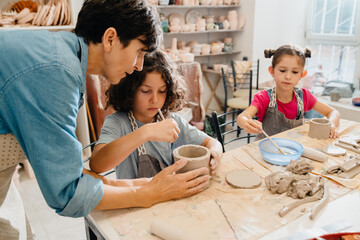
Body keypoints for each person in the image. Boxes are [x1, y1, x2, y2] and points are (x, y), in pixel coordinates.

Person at [0, 0, 209, 238]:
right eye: (139, 52)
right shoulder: (56, 72)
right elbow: (68, 192)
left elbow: (73, 172)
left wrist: (141, 186)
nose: (138, 66)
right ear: (110, 39)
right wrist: (149, 194)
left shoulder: (63, 55)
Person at [89, 51, 223, 179]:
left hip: (167, 197)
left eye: (162, 91)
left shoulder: (170, 120)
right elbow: (96, 165)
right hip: (134, 199)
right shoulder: (117, 123)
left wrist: (215, 152)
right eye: (146, 91)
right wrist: (146, 132)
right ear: (129, 90)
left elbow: (211, 142)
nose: (155, 100)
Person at [237, 44, 340, 140]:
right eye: (282, 70)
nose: (288, 76)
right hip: (265, 151)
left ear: (302, 75)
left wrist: (332, 124)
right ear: (272, 71)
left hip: (293, 150)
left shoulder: (304, 96)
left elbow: (333, 112)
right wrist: (245, 122)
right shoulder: (264, 97)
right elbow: (241, 117)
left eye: (295, 72)